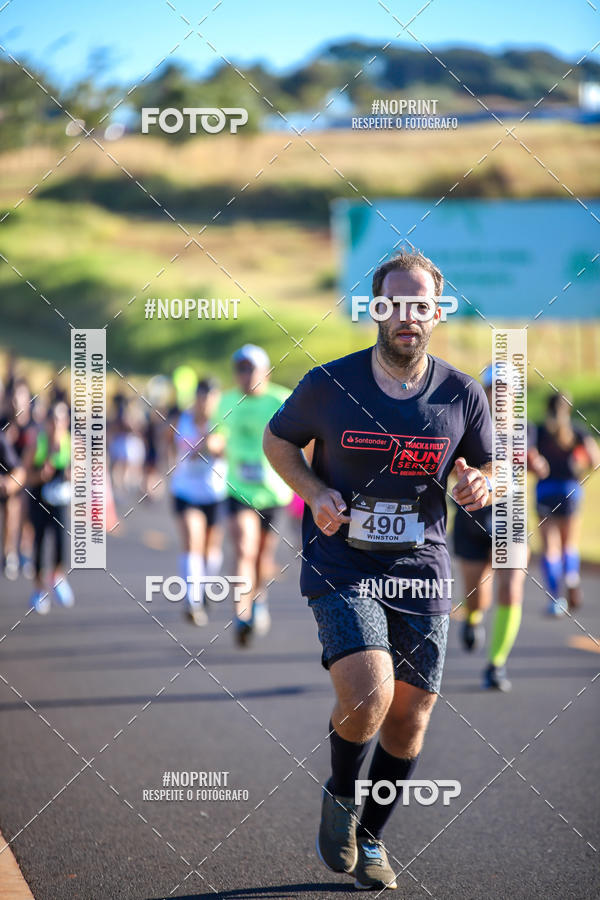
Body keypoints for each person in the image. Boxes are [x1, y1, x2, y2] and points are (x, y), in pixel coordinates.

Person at [264, 249, 494, 890]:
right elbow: (279, 440)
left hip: (421, 565)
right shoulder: (329, 384)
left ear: (436, 312)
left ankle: (370, 838)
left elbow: (488, 467)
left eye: (420, 305)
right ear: (375, 309)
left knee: (412, 713)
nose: (407, 316)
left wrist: (479, 485)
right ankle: (341, 793)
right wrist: (313, 492)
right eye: (393, 303)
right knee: (371, 692)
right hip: (343, 558)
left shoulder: (460, 392)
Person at [453, 364, 549, 691]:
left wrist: (536, 465)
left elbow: (527, 461)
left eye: (510, 389)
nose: (503, 395)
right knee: (476, 594)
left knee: (511, 588)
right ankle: (472, 618)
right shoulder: (466, 424)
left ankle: (496, 664)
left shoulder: (526, 428)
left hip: (512, 517)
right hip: (472, 517)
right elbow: (454, 469)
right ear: (485, 391)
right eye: (497, 388)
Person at [213, 345, 292, 646]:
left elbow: (303, 440)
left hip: (274, 492)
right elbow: (216, 431)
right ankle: (241, 613)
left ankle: (258, 599)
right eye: (240, 369)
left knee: (262, 557)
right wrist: (215, 444)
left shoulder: (282, 399)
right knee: (244, 548)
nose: (245, 375)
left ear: (266, 372)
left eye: (251, 369)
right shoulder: (225, 400)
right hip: (238, 488)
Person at [532, 393, 600, 614]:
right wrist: (581, 473)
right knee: (569, 544)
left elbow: (529, 458)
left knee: (550, 548)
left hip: (545, 491)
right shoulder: (578, 430)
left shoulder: (539, 431)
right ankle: (571, 577)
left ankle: (556, 600)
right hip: (570, 490)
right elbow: (595, 460)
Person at [168, 379, 227, 626]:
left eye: (211, 398)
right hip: (185, 492)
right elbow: (166, 444)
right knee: (193, 539)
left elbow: (218, 447)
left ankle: (202, 589)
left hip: (214, 493)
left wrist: (207, 438)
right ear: (196, 397)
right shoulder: (181, 420)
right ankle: (192, 601)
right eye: (203, 397)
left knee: (211, 550)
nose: (206, 404)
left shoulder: (223, 422)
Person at [23, 402, 73, 614]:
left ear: (66, 422)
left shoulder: (72, 444)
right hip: (39, 499)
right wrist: (39, 475)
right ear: (47, 423)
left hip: (60, 500)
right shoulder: (38, 444)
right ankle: (38, 590)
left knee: (61, 541)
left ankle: (57, 578)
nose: (57, 425)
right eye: (53, 420)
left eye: (61, 420)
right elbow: (24, 474)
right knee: (40, 544)